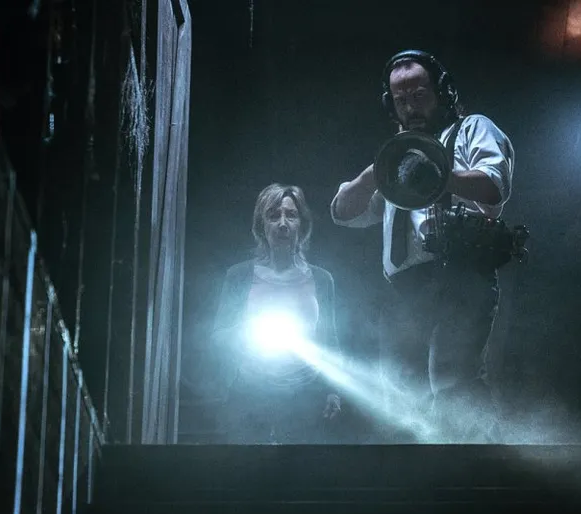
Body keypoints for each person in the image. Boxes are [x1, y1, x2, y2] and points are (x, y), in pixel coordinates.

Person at [330, 50, 515, 442]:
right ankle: (420, 471)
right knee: (399, 392)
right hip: (404, 290)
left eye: (418, 95)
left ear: (442, 92)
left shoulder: (471, 128)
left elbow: (494, 187)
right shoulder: (394, 157)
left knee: (451, 381)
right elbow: (342, 212)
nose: (410, 107)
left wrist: (438, 176)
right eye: (400, 100)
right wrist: (377, 171)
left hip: (461, 276)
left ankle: (480, 463)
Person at [212, 183, 342, 444]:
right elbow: (217, 337)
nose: (283, 224)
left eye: (291, 215)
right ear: (262, 225)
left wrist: (333, 391)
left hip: (306, 400)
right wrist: (246, 329)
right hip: (250, 395)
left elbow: (330, 339)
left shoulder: (322, 279)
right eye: (273, 216)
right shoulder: (239, 276)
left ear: (302, 224)